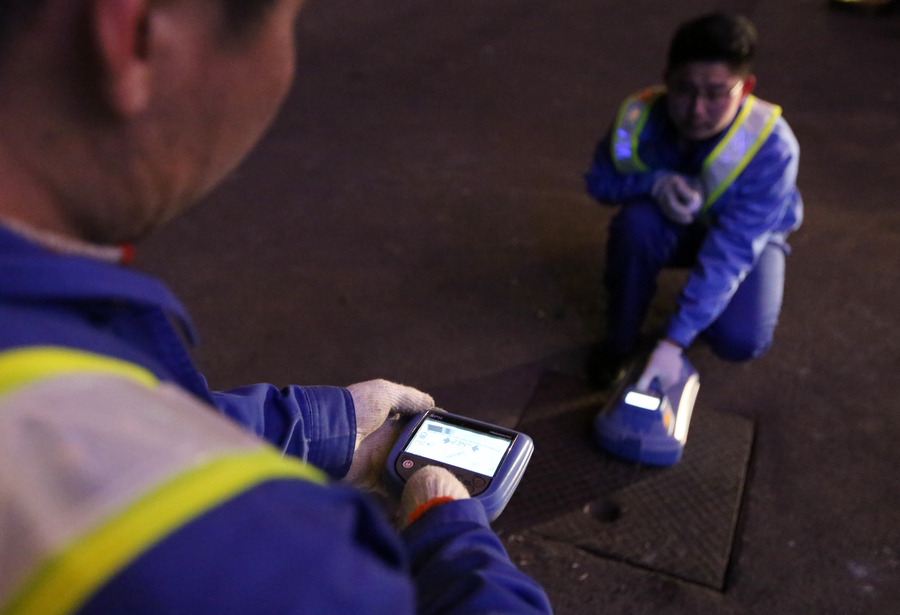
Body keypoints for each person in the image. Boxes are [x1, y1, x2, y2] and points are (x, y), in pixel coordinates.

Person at [0, 1, 553, 614]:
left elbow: (97, 421)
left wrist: (328, 430)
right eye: (288, 20)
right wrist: (449, 534)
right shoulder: (260, 558)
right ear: (136, 32)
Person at [584, 13, 803, 391]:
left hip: (747, 236)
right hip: (671, 227)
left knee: (740, 340)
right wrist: (651, 184)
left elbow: (732, 250)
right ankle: (619, 344)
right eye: (684, 90)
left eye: (717, 94)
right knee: (636, 226)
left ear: (746, 87)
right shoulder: (637, 119)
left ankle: (690, 328)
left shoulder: (773, 149)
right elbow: (599, 182)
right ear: (667, 78)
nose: (696, 111)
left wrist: (674, 342)